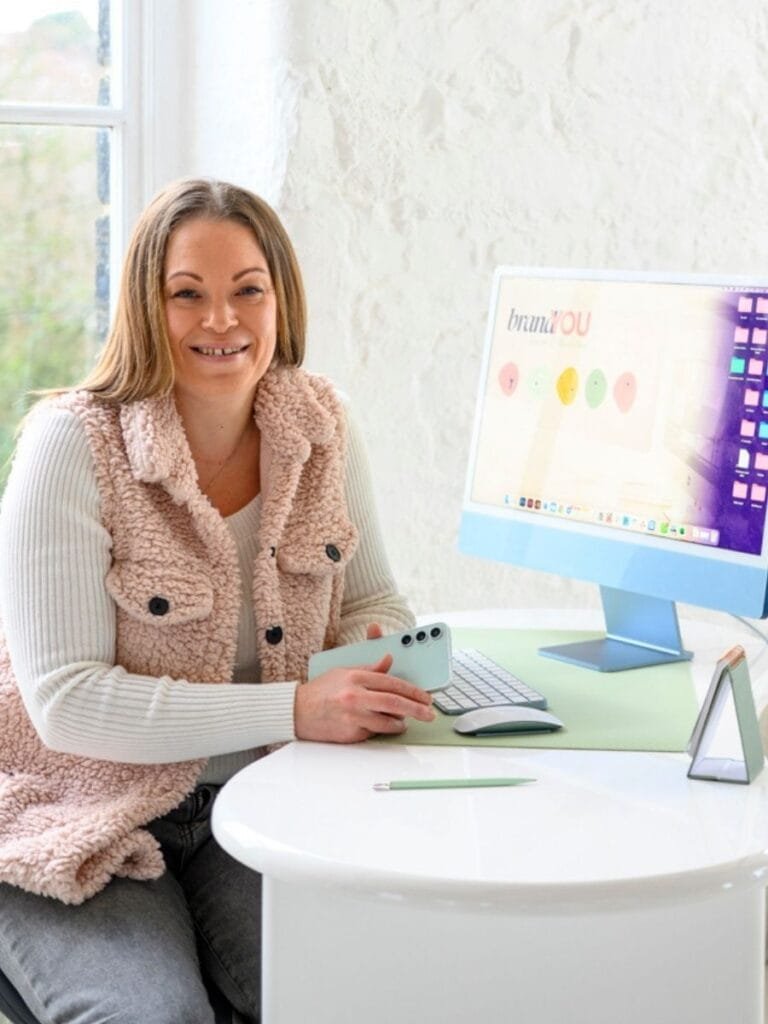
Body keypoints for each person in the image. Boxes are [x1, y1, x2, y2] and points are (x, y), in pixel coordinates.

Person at [0, 178, 434, 1024]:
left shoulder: (323, 426)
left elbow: (372, 595)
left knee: (354, 999)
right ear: (144, 307)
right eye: (187, 294)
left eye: (248, 290)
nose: (222, 320)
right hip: (79, 807)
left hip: (265, 800)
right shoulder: (72, 444)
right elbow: (67, 703)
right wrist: (297, 708)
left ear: (281, 299)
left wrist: (376, 644)